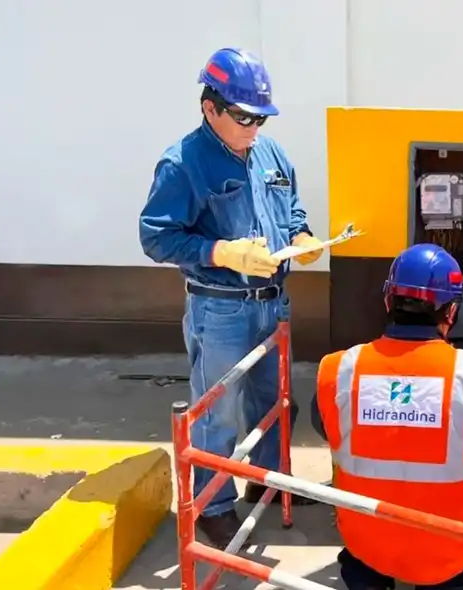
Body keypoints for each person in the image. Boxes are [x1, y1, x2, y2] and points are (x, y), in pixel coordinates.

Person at [139, 48, 324, 549]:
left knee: (275, 398)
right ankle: (212, 506)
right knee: (219, 409)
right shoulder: (183, 164)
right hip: (219, 306)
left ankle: (268, 477)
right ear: (209, 108)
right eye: (242, 117)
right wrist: (222, 251)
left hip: (272, 300)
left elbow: (293, 209)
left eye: (260, 117)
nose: (252, 127)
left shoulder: (271, 154)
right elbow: (156, 237)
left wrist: (303, 237)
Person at [312, 243, 463, 590]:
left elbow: (324, 424)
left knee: (363, 558)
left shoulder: (339, 370)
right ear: (451, 312)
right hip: (449, 551)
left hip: (367, 543)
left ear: (387, 302)